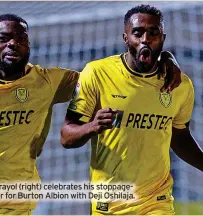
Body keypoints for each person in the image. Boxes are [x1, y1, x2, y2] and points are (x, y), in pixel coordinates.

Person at [0, 13, 182, 215]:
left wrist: (165, 57)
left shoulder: (47, 81)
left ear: (29, 45)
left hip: (19, 201)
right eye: (5, 38)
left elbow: (103, 79)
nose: (13, 43)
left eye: (21, 39)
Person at [60, 4, 203, 215]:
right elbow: (66, 136)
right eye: (138, 33)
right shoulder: (96, 73)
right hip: (110, 204)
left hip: (157, 201)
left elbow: (180, 137)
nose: (145, 39)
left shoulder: (179, 85)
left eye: (153, 33)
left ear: (162, 38)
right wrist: (92, 126)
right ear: (126, 38)